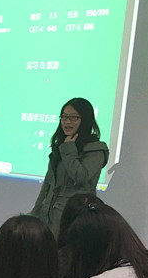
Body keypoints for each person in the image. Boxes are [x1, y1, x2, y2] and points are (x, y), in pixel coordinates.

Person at [30, 97, 109, 236]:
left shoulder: (95, 150)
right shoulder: (61, 146)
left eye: (73, 117)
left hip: (74, 219)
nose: (67, 122)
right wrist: (35, 214)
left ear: (85, 120)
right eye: (64, 117)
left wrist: (69, 149)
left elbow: (80, 177)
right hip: (48, 216)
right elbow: (48, 184)